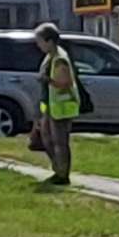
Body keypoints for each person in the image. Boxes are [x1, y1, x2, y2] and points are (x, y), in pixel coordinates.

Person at [36, 36, 85, 187]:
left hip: (61, 107)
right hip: (50, 105)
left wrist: (47, 80)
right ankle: (57, 169)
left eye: (40, 41)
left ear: (49, 41)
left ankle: (63, 175)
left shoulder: (60, 59)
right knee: (46, 138)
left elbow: (65, 83)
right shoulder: (50, 57)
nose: (38, 45)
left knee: (59, 142)